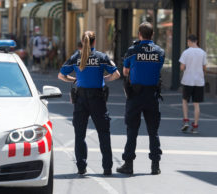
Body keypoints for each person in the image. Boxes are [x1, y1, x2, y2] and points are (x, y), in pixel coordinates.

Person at [58, 31, 120, 176]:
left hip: (81, 98)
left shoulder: (75, 57)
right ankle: (107, 167)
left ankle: (81, 167)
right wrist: (104, 78)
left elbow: (61, 75)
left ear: (82, 41)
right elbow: (116, 74)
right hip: (97, 97)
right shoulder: (102, 57)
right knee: (104, 133)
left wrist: (73, 80)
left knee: (80, 134)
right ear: (94, 42)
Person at [117, 22, 164, 175]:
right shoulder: (160, 52)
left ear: (139, 34)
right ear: (152, 35)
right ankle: (155, 166)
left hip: (135, 95)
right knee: (153, 131)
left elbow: (125, 71)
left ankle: (128, 165)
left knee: (132, 130)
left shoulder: (132, 50)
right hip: (152, 95)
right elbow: (158, 68)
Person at [179, 34, 207, 134]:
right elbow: (204, 67)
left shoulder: (186, 52)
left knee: (185, 100)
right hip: (199, 81)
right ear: (197, 41)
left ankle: (186, 120)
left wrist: (185, 68)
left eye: (187, 42)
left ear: (190, 41)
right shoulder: (203, 53)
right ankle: (195, 126)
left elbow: (182, 67)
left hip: (187, 80)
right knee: (196, 104)